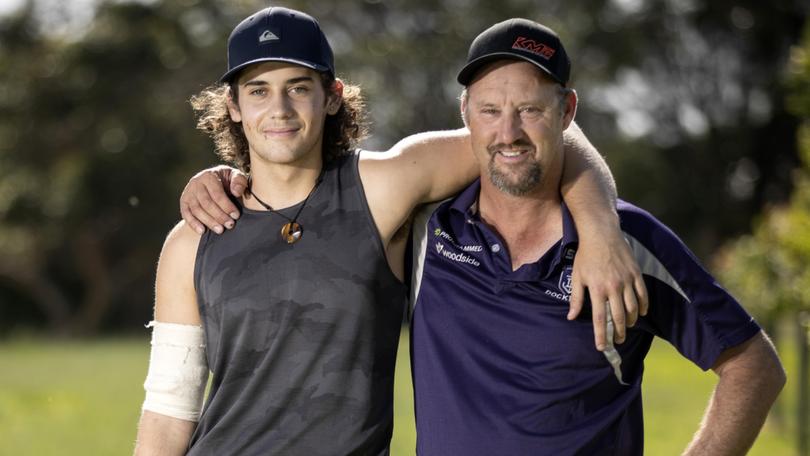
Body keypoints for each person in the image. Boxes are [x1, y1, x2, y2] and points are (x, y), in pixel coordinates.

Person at [136, 6, 646, 455]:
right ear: (233, 106)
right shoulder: (193, 239)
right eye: (259, 91)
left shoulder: (384, 188)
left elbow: (543, 131)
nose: (280, 110)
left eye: (298, 87)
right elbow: (166, 414)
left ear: (332, 97)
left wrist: (601, 231)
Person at [406, 19, 786, 455]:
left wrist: (600, 228)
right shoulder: (427, 228)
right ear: (465, 112)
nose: (508, 133)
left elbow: (753, 367)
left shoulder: (630, 241)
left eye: (530, 110)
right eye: (490, 111)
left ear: (567, 111)